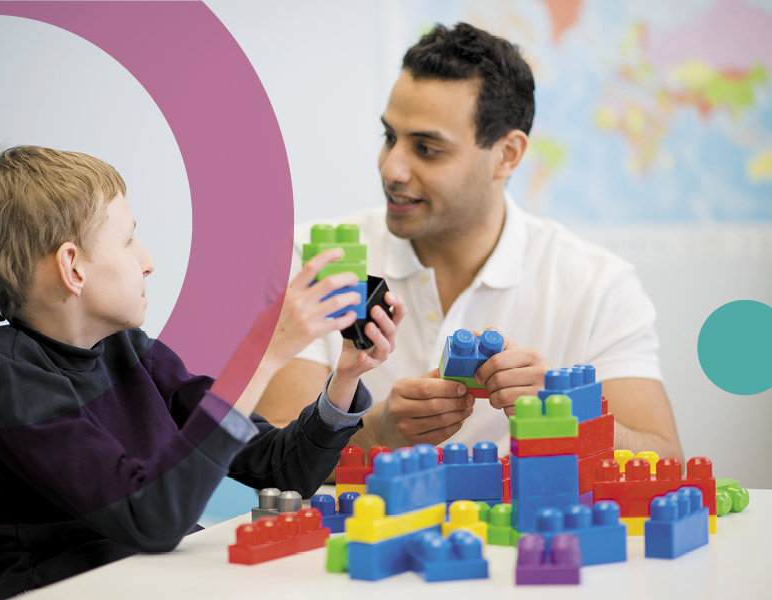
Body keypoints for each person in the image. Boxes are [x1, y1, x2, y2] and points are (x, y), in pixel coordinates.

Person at [0, 146, 405, 598]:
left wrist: (345, 379)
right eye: (127, 241)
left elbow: (282, 471)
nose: (147, 261)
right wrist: (264, 355)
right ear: (73, 268)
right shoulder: (6, 381)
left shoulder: (130, 351)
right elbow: (150, 518)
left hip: (146, 575)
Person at [256, 23, 683, 463]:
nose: (391, 169)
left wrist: (565, 411)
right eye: (389, 137)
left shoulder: (597, 284)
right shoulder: (316, 257)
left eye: (426, 148)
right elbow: (273, 461)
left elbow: (665, 458)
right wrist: (379, 431)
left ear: (508, 155)